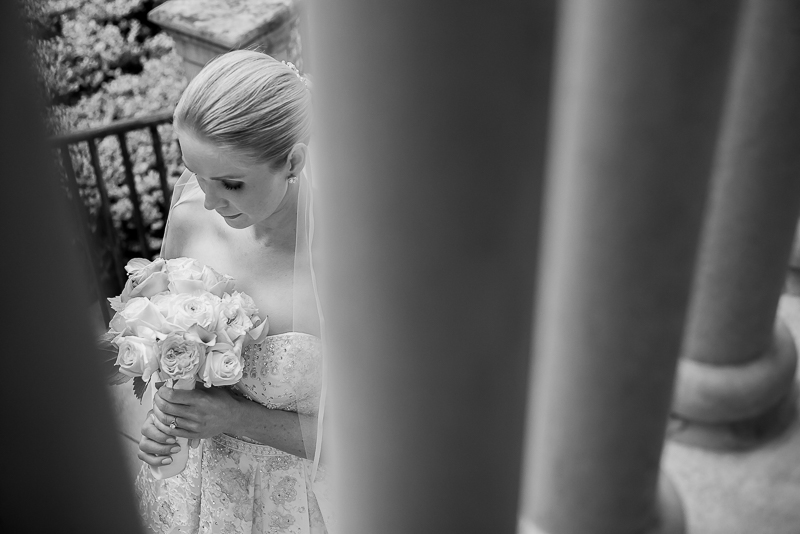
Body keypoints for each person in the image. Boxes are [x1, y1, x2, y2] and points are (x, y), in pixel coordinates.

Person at [134, 50, 330, 534]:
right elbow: (167, 345)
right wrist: (167, 413)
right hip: (190, 486)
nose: (210, 198)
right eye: (196, 173)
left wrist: (232, 418)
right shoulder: (191, 219)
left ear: (293, 161)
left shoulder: (347, 267)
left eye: (232, 183)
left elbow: (377, 438)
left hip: (296, 503)